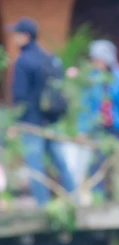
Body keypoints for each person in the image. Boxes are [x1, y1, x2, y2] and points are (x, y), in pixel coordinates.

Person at [9, 17, 74, 205]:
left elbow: (19, 96)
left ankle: (43, 206)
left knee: (35, 166)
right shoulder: (48, 57)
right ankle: (74, 200)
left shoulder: (23, 61)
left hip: (31, 123)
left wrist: (16, 123)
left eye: (17, 34)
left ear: (26, 36)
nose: (14, 38)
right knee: (61, 163)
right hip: (51, 120)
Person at [79, 40, 119, 194]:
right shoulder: (92, 78)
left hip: (117, 129)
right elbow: (86, 105)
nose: (95, 62)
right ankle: (98, 199)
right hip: (97, 128)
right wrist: (83, 129)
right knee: (96, 166)